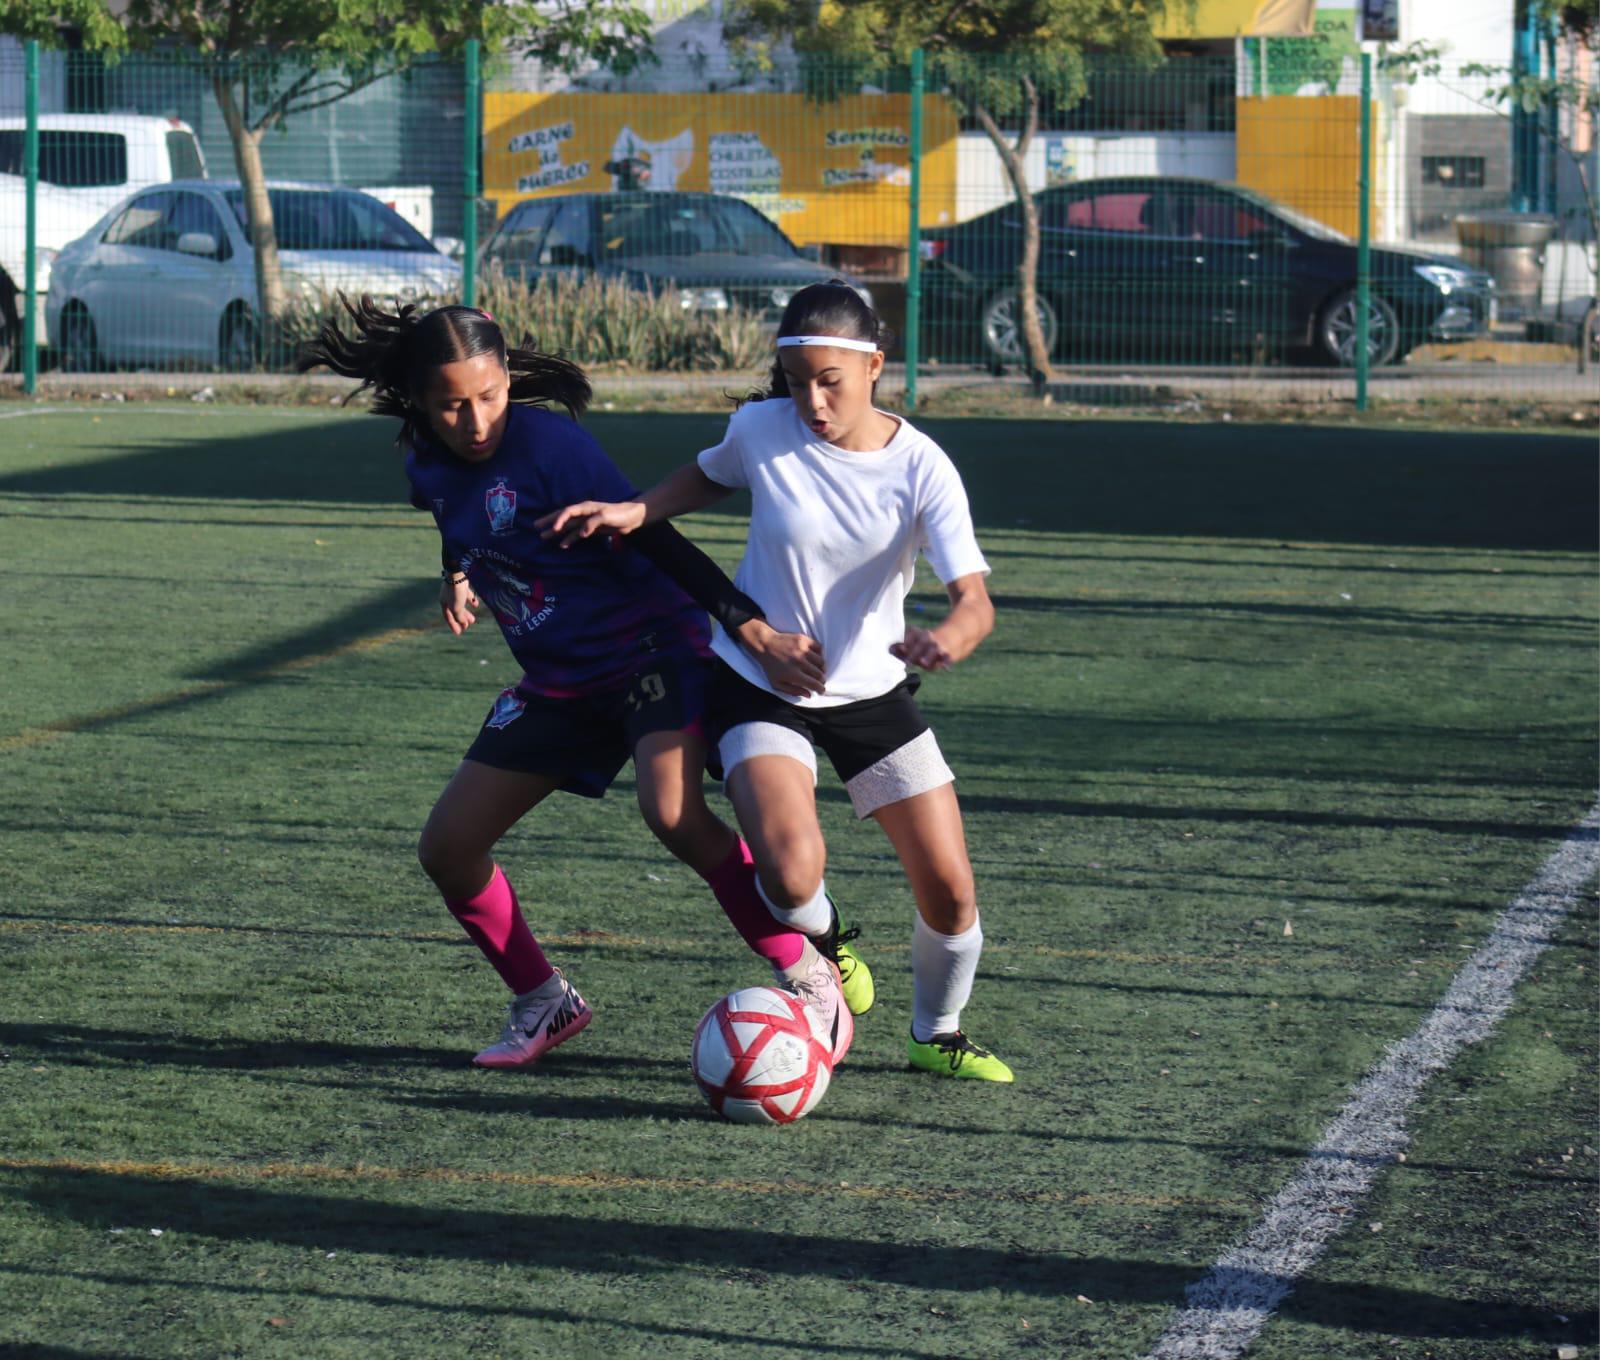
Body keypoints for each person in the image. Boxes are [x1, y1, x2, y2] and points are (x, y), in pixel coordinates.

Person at [298, 295, 855, 1070]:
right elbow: (456, 522)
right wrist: (456, 574)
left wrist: (749, 627)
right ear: (421, 404)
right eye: (452, 405)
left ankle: (808, 971)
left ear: (506, 380)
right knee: (448, 848)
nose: (476, 419)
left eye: (489, 395)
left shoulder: (552, 446)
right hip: (560, 678)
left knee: (670, 812)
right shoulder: (422, 457)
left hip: (650, 650)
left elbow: (655, 535)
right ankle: (543, 1001)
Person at [540, 281, 1014, 1082]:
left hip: (872, 695)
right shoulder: (763, 427)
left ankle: (935, 1034)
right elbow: (709, 474)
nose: (812, 402)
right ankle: (830, 944)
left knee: (952, 894)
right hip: (759, 688)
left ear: (875, 366)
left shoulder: (922, 467)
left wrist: (948, 639)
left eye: (830, 381)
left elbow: (975, 600)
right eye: (797, 383)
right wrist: (637, 511)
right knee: (790, 871)